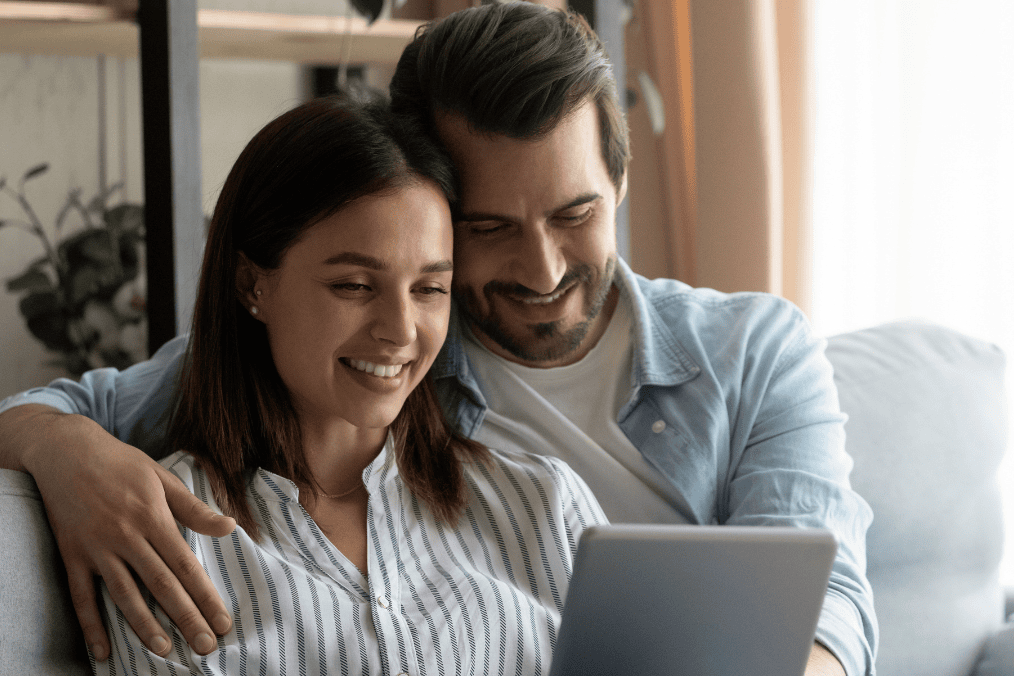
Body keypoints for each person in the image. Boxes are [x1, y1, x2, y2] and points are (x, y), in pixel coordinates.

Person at [0, 4, 876, 675]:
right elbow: (84, 406)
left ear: (620, 178)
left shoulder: (750, 351)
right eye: (489, 229)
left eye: (576, 214)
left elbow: (826, 599)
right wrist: (67, 453)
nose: (540, 271)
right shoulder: (369, 356)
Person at [85, 91, 606, 673]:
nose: (401, 330)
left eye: (429, 288)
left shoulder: (547, 507)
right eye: (355, 286)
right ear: (252, 285)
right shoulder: (164, 535)